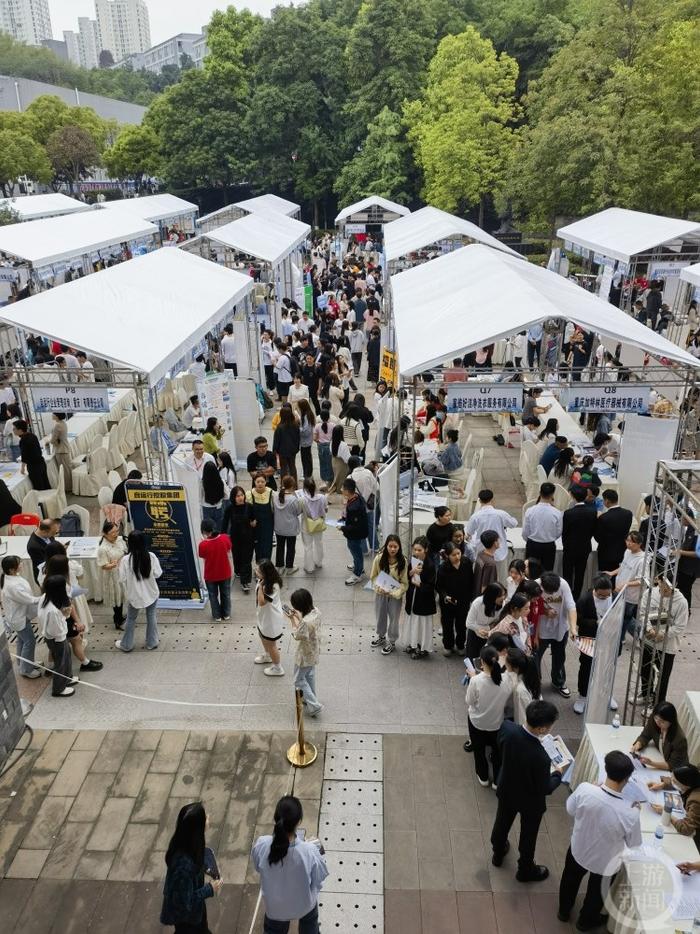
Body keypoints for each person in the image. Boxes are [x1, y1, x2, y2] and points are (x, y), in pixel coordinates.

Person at [558, 751, 641, 931]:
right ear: (627, 779)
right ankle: (585, 921)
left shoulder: (586, 789)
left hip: (579, 848)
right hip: (606, 861)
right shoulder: (631, 812)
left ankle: (563, 911)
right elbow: (634, 844)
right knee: (596, 893)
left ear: (606, 770)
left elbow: (570, 809)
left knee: (570, 880)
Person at [490, 700, 566, 882]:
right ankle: (525, 868)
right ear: (542, 729)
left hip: (507, 788)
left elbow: (501, 749)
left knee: (502, 822)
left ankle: (498, 853)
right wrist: (557, 774)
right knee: (528, 835)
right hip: (531, 801)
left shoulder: (507, 728)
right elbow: (545, 787)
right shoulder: (540, 756)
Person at [251, 795, 328, 934]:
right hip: (305, 905)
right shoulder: (309, 851)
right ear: (299, 822)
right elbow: (318, 879)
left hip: (275, 909)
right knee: (310, 925)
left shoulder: (262, 844)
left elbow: (258, 867)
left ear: (276, 818)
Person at [161, 802, 223, 933]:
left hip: (194, 915)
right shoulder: (183, 867)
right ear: (197, 827)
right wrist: (210, 889)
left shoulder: (186, 844)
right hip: (188, 920)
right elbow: (185, 902)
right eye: (205, 817)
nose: (208, 817)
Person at [467, 645, 512, 787]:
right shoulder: (506, 680)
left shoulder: (476, 681)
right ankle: (497, 781)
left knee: (479, 751)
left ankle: (483, 776)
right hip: (497, 724)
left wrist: (473, 677)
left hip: (477, 723)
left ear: (481, 662)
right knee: (497, 752)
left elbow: (469, 701)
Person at [639, 576, 688, 705]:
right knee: (645, 669)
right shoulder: (649, 594)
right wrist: (649, 629)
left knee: (663, 677)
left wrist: (663, 634)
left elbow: (680, 626)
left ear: (675, 584)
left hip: (667, 646)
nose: (664, 592)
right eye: (662, 587)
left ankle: (657, 703)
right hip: (648, 640)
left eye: (668, 589)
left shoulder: (681, 602)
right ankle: (645, 695)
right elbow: (642, 613)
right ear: (658, 581)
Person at [572, 574, 614, 714]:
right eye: (601, 596)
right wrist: (595, 623)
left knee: (607, 666)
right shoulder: (584, 600)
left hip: (608, 638)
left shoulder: (614, 596)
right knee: (586, 667)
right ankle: (582, 696)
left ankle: (606, 694)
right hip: (588, 638)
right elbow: (578, 620)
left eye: (607, 595)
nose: (605, 598)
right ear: (595, 590)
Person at [115, 531, 162, 653]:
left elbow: (122, 579)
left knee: (131, 618)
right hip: (151, 593)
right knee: (151, 616)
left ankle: (127, 644)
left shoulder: (126, 560)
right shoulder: (150, 556)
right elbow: (158, 573)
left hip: (134, 595)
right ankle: (152, 642)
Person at [536, 571, 577, 698]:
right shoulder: (536, 585)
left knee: (559, 657)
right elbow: (531, 605)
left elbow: (571, 606)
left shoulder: (563, 584)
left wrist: (573, 628)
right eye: (550, 592)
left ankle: (558, 682)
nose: (553, 594)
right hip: (540, 629)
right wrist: (546, 611)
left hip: (560, 627)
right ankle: (535, 685)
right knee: (535, 657)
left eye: (555, 591)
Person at [1, 554, 40, 677]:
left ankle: (23, 663)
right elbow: (28, 599)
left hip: (18, 616)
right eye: (19, 563)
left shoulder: (10, 578)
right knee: (30, 642)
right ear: (12, 569)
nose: (22, 564)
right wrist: (44, 598)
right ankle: (26, 670)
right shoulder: (13, 586)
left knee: (22, 641)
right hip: (18, 618)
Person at [370, 534, 408, 657]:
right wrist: (379, 587)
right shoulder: (379, 559)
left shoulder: (403, 562)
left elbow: (404, 583)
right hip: (381, 594)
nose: (392, 549)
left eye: (395, 546)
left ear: (399, 547)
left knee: (394, 619)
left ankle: (391, 641)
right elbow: (374, 576)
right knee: (380, 615)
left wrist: (393, 592)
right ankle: (381, 636)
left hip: (395, 597)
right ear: (386, 546)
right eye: (390, 546)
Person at [287, 588, 323, 717]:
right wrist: (299, 616)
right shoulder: (316, 611)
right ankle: (311, 698)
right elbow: (306, 625)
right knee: (310, 675)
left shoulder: (306, 623)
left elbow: (297, 634)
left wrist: (292, 619)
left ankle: (314, 704)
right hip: (314, 651)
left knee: (298, 680)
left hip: (303, 656)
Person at [647, 765, 700, 847]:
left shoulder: (696, 801)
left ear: (687, 785)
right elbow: (677, 781)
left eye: (674, 781)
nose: (672, 781)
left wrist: (666, 812)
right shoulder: (693, 782)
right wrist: (663, 785)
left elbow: (686, 828)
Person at [466, 489, 517, 574]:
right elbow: (513, 524)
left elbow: (469, 533)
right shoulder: (501, 514)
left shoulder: (475, 516)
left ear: (479, 500)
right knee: (499, 577)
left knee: (483, 577)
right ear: (492, 499)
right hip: (499, 552)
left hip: (482, 551)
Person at [436, 542, 474, 657]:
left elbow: (471, 581)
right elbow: (439, 586)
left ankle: (460, 645)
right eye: (453, 555)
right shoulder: (443, 567)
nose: (457, 557)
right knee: (447, 624)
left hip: (463, 600)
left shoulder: (466, 563)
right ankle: (448, 645)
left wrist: (470, 597)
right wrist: (445, 596)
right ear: (447, 556)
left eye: (458, 553)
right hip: (448, 601)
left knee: (461, 624)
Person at [630, 700, 689, 771]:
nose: (658, 722)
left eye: (662, 721)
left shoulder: (679, 739)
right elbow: (645, 735)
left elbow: (672, 765)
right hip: (659, 756)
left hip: (676, 771)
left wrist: (651, 763)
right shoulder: (655, 719)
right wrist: (638, 744)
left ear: (671, 721)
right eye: (656, 718)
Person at [561, 486, 597, 599]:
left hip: (570, 547)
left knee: (567, 573)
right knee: (580, 574)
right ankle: (576, 597)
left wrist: (566, 544)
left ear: (572, 496)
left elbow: (565, 532)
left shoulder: (568, 513)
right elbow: (592, 530)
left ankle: (567, 597)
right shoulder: (592, 512)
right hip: (584, 547)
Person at [404, 535, 436, 658]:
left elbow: (431, 586)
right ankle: (413, 643)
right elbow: (407, 575)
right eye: (415, 549)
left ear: (426, 550)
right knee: (413, 621)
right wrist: (412, 572)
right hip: (413, 597)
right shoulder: (413, 560)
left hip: (423, 600)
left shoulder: (430, 564)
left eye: (419, 550)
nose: (416, 552)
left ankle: (423, 648)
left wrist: (419, 584)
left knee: (422, 624)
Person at [609, 531, 645, 643]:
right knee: (620, 615)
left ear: (639, 544)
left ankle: (642, 635)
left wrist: (626, 584)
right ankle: (622, 637)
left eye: (632, 542)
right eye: (627, 540)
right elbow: (623, 567)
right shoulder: (627, 552)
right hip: (619, 590)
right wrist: (612, 573)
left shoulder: (642, 560)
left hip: (630, 595)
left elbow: (642, 580)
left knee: (626, 618)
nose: (628, 543)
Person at [254, 560, 285, 677]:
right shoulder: (265, 580)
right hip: (264, 617)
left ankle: (278, 668)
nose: (255, 571)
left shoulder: (271, 586)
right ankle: (267, 655)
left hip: (271, 621)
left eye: (258, 570)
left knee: (271, 644)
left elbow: (262, 602)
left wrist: (261, 587)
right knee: (262, 635)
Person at [523, 482, 562, 571]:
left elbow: (525, 531)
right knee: (547, 573)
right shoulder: (556, 513)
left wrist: (530, 540)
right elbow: (558, 532)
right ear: (552, 494)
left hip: (533, 545)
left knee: (530, 572)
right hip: (549, 546)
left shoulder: (530, 511)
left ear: (540, 493)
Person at [198, 519, 232, 621]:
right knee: (225, 594)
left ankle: (217, 616)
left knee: (213, 596)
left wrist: (204, 541)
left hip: (210, 575)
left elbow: (202, 555)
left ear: (203, 531)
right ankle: (226, 614)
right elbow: (229, 549)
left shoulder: (203, 545)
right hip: (225, 572)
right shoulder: (225, 538)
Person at [223, 485, 255, 593]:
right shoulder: (229, 508)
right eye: (237, 496)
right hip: (235, 538)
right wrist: (223, 537)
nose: (240, 497)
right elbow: (225, 523)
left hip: (248, 537)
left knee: (246, 560)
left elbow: (254, 519)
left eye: (242, 495)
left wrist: (254, 523)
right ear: (233, 497)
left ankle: (245, 582)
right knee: (237, 557)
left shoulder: (249, 507)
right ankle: (238, 571)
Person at [97, 521, 127, 630]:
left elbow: (125, 552)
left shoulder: (119, 540)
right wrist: (112, 564)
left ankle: (121, 617)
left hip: (122, 572)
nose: (115, 534)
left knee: (122, 595)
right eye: (112, 532)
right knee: (116, 596)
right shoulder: (103, 548)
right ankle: (118, 620)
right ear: (105, 533)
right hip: (112, 576)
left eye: (117, 531)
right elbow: (103, 565)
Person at [594, 489, 633, 573]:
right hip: (622, 550)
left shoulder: (604, 517)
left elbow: (598, 538)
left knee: (606, 578)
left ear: (607, 501)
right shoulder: (628, 514)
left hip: (606, 554)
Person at [466, 581, 506, 659]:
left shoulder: (502, 604)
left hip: (490, 634)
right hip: (475, 633)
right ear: (492, 596)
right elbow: (468, 623)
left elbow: (498, 621)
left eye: (504, 594)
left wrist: (489, 629)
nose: (503, 598)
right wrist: (486, 627)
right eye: (500, 596)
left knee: (487, 660)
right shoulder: (477, 603)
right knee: (472, 658)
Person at [341, 477, 368, 584]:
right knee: (356, 551)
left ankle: (358, 573)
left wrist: (342, 527)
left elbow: (355, 526)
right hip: (359, 532)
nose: (341, 490)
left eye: (343, 488)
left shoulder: (354, 507)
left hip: (355, 534)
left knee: (356, 551)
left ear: (347, 491)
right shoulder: (357, 497)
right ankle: (358, 565)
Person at [273, 476, 302, 575]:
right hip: (290, 528)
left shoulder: (276, 496)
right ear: (293, 485)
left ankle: (279, 566)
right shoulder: (293, 499)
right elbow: (297, 512)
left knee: (280, 547)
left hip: (279, 527)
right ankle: (289, 567)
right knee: (290, 547)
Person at [505, 647, 541, 724]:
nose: (504, 664)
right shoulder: (529, 673)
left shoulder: (520, 691)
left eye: (506, 663)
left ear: (515, 668)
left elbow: (522, 718)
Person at [299, 478, 327, 574]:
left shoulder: (302, 499)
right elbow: (325, 509)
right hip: (319, 524)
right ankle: (319, 562)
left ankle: (309, 567)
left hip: (306, 525)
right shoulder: (322, 497)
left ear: (304, 488)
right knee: (319, 543)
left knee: (308, 546)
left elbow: (299, 511)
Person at [13, 419, 50, 490]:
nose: (13, 430)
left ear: (20, 430)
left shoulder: (23, 440)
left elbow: (24, 455)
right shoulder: (32, 435)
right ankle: (50, 499)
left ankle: (42, 500)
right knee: (46, 483)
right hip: (41, 462)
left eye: (14, 429)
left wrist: (22, 468)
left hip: (34, 467)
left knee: (39, 487)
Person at [273, 404, 301, 483]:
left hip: (282, 450)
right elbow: (298, 438)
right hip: (292, 450)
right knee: (292, 467)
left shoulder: (280, 427)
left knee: (283, 468)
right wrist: (296, 448)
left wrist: (275, 450)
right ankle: (294, 484)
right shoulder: (295, 425)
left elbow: (276, 440)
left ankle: (284, 484)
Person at [27, 517, 59, 583]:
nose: (54, 535)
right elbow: (43, 565)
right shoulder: (34, 546)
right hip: (45, 577)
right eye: (53, 533)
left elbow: (52, 542)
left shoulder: (47, 534)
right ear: (44, 531)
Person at [49, 412, 73, 493]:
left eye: (53, 414)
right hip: (64, 448)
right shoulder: (63, 423)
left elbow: (53, 440)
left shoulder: (57, 425)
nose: (52, 415)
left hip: (60, 450)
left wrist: (49, 441)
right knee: (67, 469)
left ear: (56, 416)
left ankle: (68, 488)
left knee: (64, 470)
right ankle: (69, 486)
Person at [200, 461, 226, 532]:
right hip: (219, 507)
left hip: (206, 508)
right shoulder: (221, 481)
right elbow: (226, 495)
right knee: (218, 528)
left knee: (208, 530)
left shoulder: (202, 483)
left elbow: (200, 496)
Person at [473, 530, 499, 596]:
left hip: (476, 592)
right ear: (495, 543)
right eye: (498, 540)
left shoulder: (480, 554)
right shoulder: (490, 564)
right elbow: (485, 586)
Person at [297, 400, 315, 480]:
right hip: (307, 441)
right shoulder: (308, 414)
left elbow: (306, 431)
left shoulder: (306, 416)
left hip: (305, 441)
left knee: (305, 458)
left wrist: (298, 428)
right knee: (307, 457)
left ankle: (307, 474)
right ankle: (308, 473)